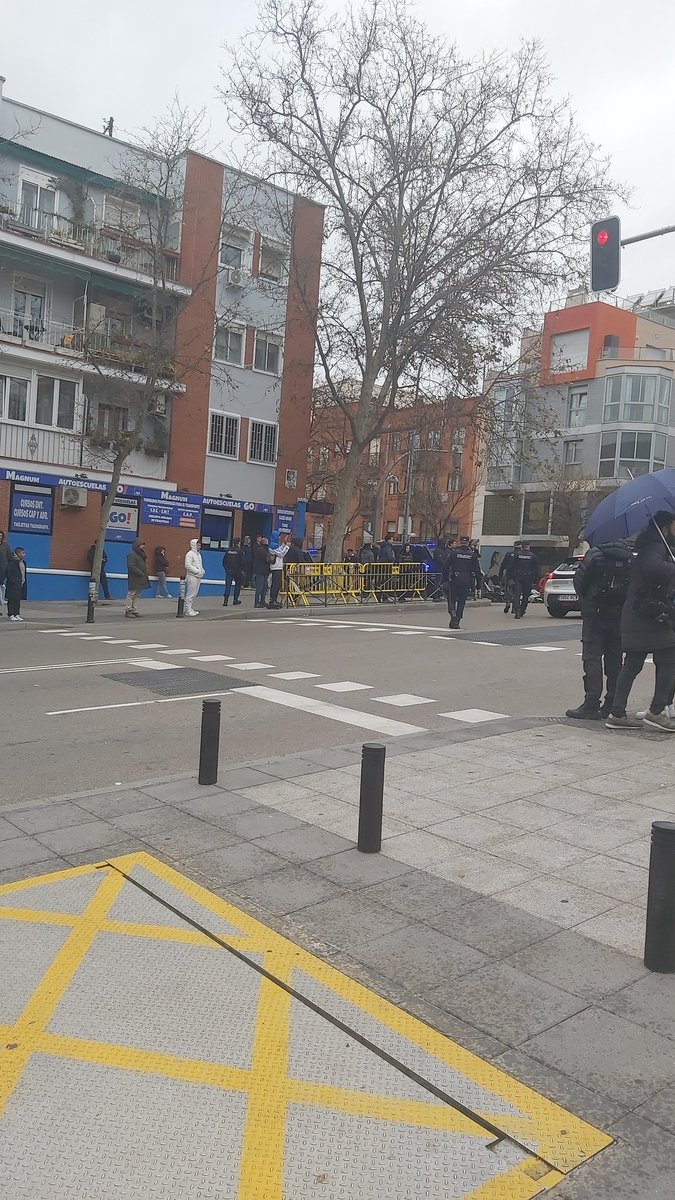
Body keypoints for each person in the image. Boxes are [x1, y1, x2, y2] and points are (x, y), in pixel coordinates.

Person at [607, 511, 675, 732]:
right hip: (647, 617)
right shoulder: (655, 547)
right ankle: (656, 711)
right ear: (665, 526)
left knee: (633, 664)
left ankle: (617, 713)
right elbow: (654, 569)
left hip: (640, 616)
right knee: (669, 657)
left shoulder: (656, 546)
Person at [566, 539, 633, 720]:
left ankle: (591, 703)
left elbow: (580, 581)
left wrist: (587, 599)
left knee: (592, 657)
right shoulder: (629, 558)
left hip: (595, 614)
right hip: (618, 615)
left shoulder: (594, 555)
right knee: (615, 660)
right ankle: (612, 702)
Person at [445, 535, 482, 629]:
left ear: (460, 541)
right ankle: (457, 620)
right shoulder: (472, 555)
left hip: (455, 579)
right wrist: (478, 584)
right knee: (462, 601)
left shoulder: (454, 553)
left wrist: (445, 579)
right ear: (468, 542)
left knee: (452, 598)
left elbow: (445, 566)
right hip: (466, 580)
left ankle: (452, 613)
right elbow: (478, 570)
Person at [511, 540, 540, 619]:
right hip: (528, 578)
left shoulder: (517, 555)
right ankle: (522, 610)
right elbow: (537, 569)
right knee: (525, 595)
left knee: (517, 594)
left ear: (522, 547)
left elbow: (511, 566)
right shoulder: (533, 556)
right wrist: (536, 581)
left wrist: (510, 577)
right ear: (529, 547)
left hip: (518, 577)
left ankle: (517, 610)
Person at [125, 538, 149, 618]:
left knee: (137, 595)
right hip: (134, 577)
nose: (143, 546)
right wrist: (140, 573)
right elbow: (131, 566)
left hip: (141, 577)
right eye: (142, 545)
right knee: (131, 594)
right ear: (137, 545)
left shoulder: (141, 554)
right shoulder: (132, 554)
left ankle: (134, 609)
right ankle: (128, 610)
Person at [268, 532, 290, 609]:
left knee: (277, 585)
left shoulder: (276, 545)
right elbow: (281, 554)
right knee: (275, 584)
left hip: (278, 567)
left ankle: (274, 599)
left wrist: (284, 544)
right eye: (279, 536)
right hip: (275, 567)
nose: (280, 537)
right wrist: (287, 547)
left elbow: (280, 549)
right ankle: (272, 600)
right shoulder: (272, 545)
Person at [499, 541, 522, 614]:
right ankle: (514, 608)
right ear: (521, 546)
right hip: (518, 575)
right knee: (517, 591)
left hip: (509, 574)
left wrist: (501, 573)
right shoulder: (521, 555)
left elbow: (503, 565)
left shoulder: (508, 554)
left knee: (508, 589)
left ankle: (508, 603)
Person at [184, 538, 205, 617]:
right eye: (198, 545)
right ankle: (188, 610)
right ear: (193, 545)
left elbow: (200, 565)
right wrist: (197, 571)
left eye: (200, 545)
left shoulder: (198, 555)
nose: (199, 546)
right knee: (190, 594)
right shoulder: (189, 554)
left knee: (195, 593)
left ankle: (190, 608)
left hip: (198, 577)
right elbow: (188, 565)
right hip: (192, 576)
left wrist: (202, 571)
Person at [5, 546, 27, 621]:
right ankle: (11, 614)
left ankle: (17, 614)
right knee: (12, 600)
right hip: (13, 585)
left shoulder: (23, 562)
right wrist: (13, 581)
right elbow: (8, 573)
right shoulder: (12, 562)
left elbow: (23, 573)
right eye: (23, 553)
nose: (24, 554)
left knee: (17, 600)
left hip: (20, 584)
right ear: (18, 553)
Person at [223, 538, 244, 606]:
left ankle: (225, 601)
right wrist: (241, 570)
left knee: (228, 586)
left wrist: (227, 569)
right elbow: (243, 562)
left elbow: (224, 562)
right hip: (237, 571)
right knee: (237, 586)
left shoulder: (228, 550)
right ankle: (235, 600)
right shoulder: (240, 551)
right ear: (238, 543)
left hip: (229, 571)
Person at [252, 537, 271, 609]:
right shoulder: (262, 550)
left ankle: (262, 601)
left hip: (263, 571)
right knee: (260, 587)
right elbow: (267, 559)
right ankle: (257, 602)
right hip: (261, 571)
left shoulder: (262, 549)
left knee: (264, 587)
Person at [377, 532, 396, 602]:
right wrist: (394, 560)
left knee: (380, 582)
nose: (393, 541)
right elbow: (390, 557)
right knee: (386, 582)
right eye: (392, 539)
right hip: (387, 566)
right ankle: (385, 597)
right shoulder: (388, 547)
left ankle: (378, 597)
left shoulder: (382, 546)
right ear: (388, 540)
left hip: (381, 565)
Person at [0, 530, 11, 609]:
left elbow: (10, 556)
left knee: (1, 586)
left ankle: (1, 601)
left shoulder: (5, 545)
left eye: (1, 536)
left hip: (2, 569)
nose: (0, 537)